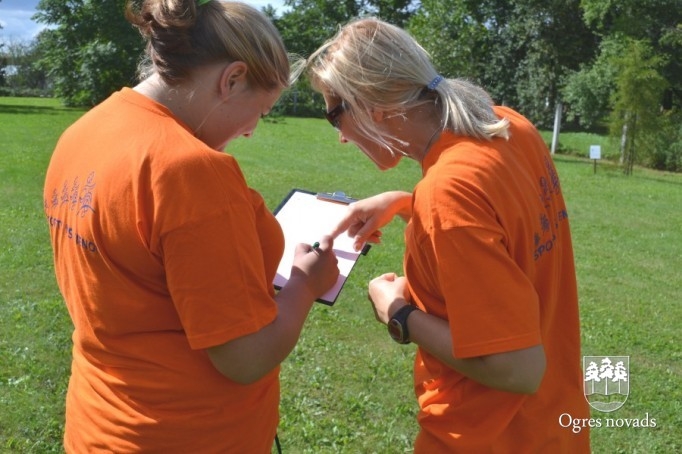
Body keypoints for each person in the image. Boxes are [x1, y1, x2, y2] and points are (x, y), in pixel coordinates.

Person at [43, 1, 339, 452]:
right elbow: (244, 358)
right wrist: (304, 282)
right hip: (188, 433)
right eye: (259, 111)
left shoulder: (83, 131)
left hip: (98, 423)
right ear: (232, 78)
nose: (250, 132)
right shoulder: (191, 171)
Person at [307, 17, 591, 452]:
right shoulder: (509, 126)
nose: (341, 138)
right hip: (554, 425)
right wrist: (407, 203)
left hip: (484, 435)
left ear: (373, 106)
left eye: (334, 115)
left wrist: (399, 313)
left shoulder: (447, 192)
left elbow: (518, 367)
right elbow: (504, 231)